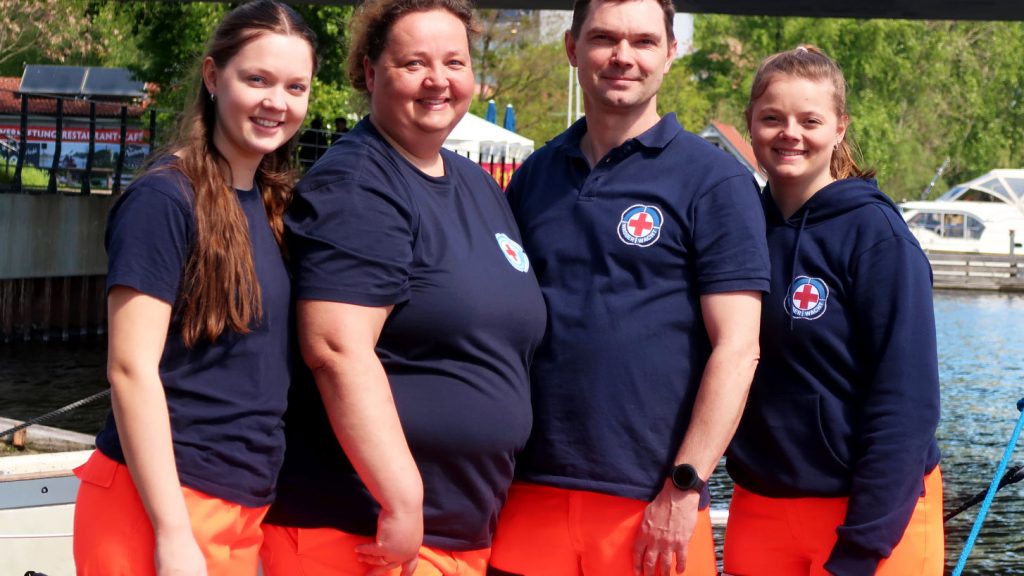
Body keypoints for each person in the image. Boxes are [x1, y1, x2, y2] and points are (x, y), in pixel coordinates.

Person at [259, 0, 546, 574]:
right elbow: (337, 348)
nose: (438, 80)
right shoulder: (359, 183)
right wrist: (403, 497)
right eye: (413, 63)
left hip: (455, 534)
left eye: (454, 62)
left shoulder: (476, 185)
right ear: (370, 72)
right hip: (366, 533)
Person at [486, 0, 770, 575]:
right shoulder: (535, 177)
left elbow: (739, 349)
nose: (623, 57)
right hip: (525, 494)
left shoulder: (713, 182)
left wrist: (685, 485)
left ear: (670, 53)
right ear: (572, 48)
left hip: (650, 505)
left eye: (643, 42)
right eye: (604, 39)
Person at [72, 2, 316, 574]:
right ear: (212, 77)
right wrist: (173, 533)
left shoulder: (274, 204)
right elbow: (130, 369)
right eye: (256, 79)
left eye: (295, 86)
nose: (276, 102)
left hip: (241, 505)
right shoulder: (165, 199)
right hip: (155, 505)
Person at [723, 45, 943, 576]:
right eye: (772, 118)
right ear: (749, 124)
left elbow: (907, 405)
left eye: (810, 120)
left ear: (840, 127)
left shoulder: (878, 238)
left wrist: (862, 548)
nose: (789, 133)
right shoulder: (736, 228)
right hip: (763, 508)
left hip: (872, 518)